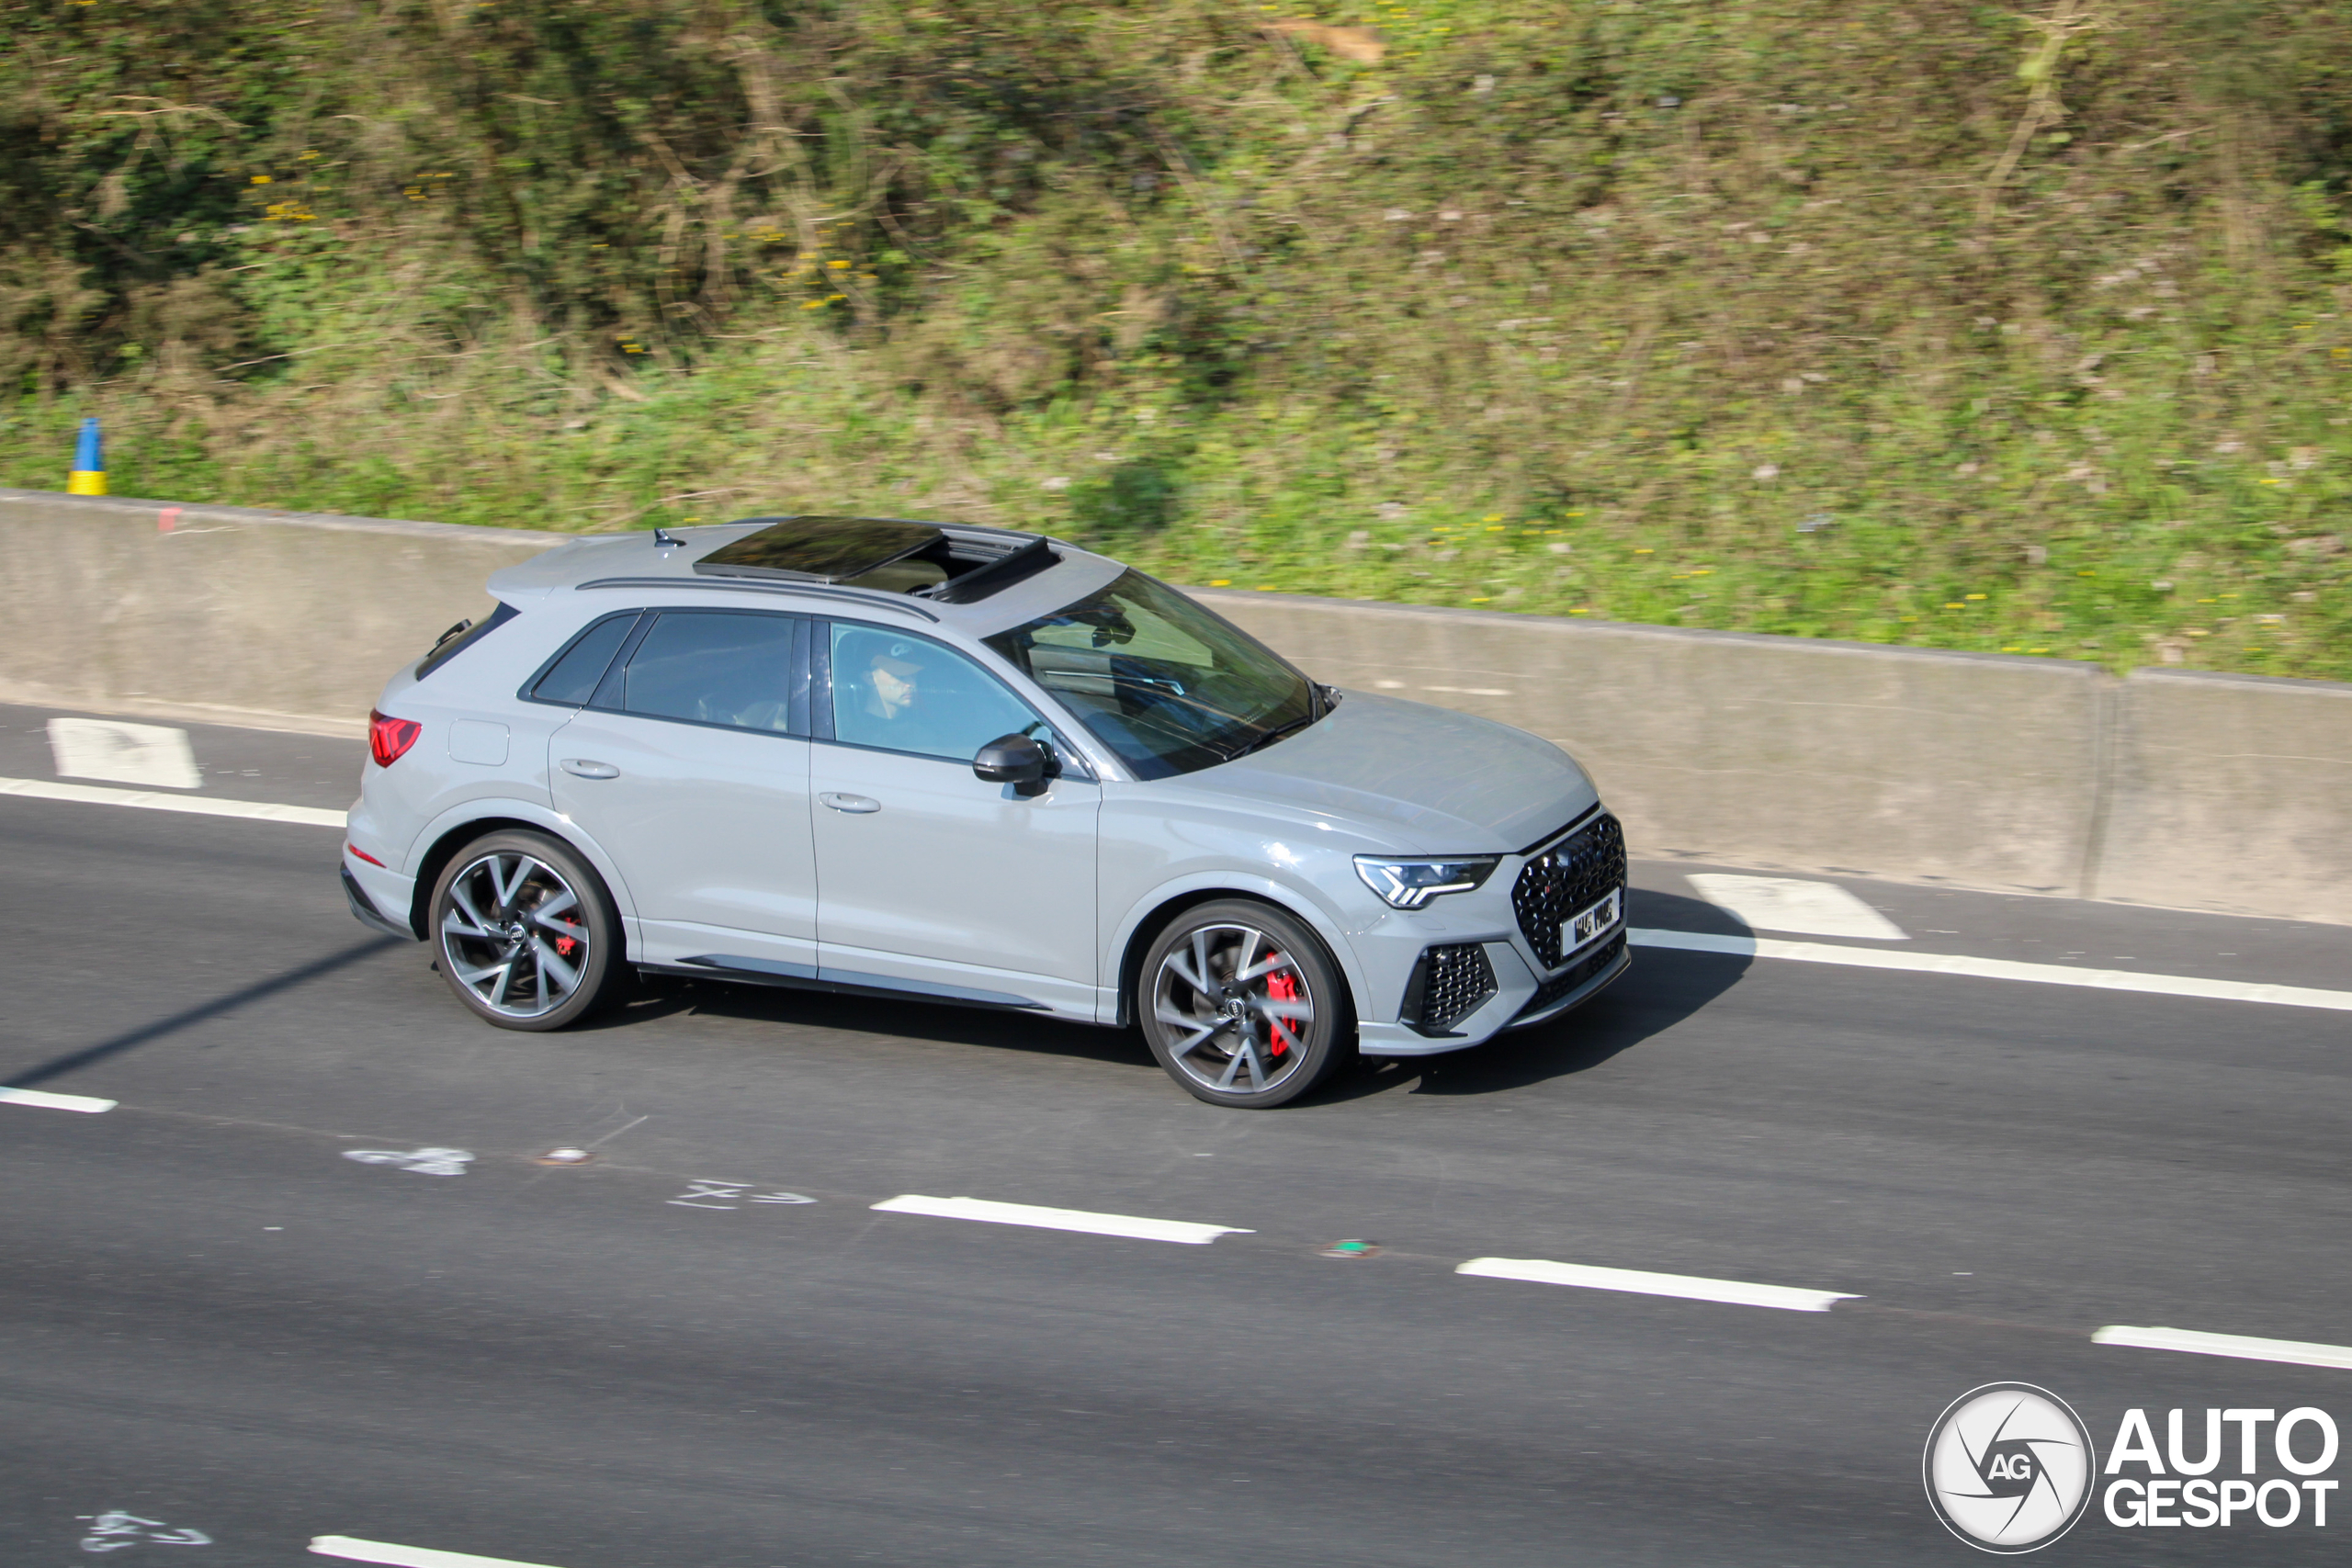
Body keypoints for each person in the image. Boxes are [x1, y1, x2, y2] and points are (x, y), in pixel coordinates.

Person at [859, 644, 924, 724]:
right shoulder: (853, 730)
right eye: (900, 676)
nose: (913, 684)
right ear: (870, 678)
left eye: (913, 675)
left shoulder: (919, 726)